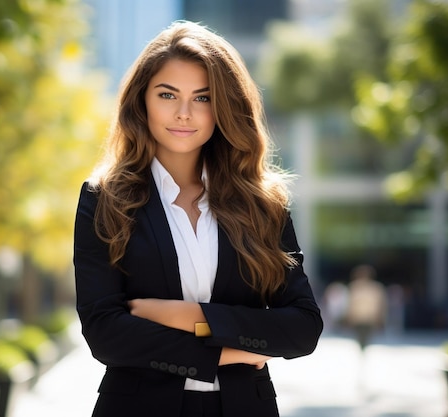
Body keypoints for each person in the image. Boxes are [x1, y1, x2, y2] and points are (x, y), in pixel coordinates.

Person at [73, 20, 323, 417]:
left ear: (224, 105)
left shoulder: (263, 203)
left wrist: (189, 317)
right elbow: (107, 335)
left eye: (203, 98)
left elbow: (302, 328)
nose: (184, 113)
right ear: (143, 100)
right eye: (167, 94)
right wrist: (230, 349)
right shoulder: (104, 200)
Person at [344, 264, 387, 351]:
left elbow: (381, 304)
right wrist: (349, 317)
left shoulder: (376, 288)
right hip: (358, 318)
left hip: (370, 318)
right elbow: (350, 303)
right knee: (359, 339)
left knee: (369, 341)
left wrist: (381, 318)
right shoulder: (354, 287)